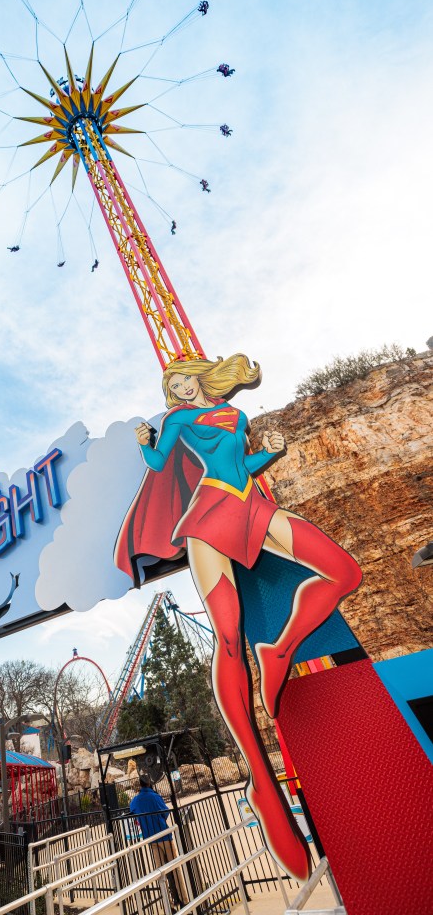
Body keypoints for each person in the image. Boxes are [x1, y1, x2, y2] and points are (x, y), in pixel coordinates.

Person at [116, 355, 363, 882]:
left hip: (250, 503)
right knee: (227, 635)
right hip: (206, 517)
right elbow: (160, 465)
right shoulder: (178, 421)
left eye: (184, 381)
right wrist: (143, 441)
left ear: (202, 378)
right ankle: (258, 775)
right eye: (172, 386)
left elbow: (239, 465)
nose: (180, 390)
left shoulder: (234, 416)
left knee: (343, 572)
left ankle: (278, 650)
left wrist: (267, 455)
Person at [129, 776, 187, 906]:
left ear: (140, 785)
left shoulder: (136, 800)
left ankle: (168, 902)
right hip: (164, 835)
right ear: (149, 783)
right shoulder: (155, 797)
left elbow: (132, 810)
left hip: (151, 838)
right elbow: (165, 812)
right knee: (175, 868)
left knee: (160, 872)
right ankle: (184, 899)